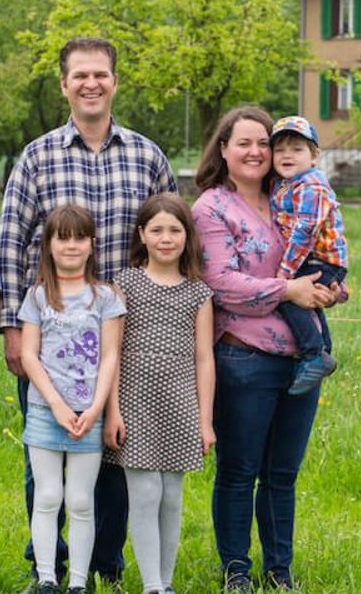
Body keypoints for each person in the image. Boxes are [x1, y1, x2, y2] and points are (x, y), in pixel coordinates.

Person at [0, 36, 179, 590]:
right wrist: (11, 327)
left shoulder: (148, 156)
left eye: (100, 74)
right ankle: (46, 567)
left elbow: (172, 233)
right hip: (49, 338)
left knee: (115, 451)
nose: (91, 84)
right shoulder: (38, 155)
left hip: (126, 336)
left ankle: (103, 562)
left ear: (115, 81)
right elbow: (11, 241)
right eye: (80, 75)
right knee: (47, 454)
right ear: (64, 85)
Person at [191, 105, 342, 592]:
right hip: (243, 360)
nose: (257, 152)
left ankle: (279, 570)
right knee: (239, 471)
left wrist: (328, 290)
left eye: (265, 143)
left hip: (301, 360)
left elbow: (320, 254)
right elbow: (220, 282)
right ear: (224, 149)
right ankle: (236, 568)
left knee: (282, 474)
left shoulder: (292, 194)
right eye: (246, 143)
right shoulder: (211, 207)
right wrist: (289, 291)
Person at [103, 193, 215, 594]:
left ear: (187, 236)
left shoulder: (198, 293)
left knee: (171, 495)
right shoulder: (125, 283)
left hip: (180, 402)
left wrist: (205, 421)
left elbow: (204, 358)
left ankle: (165, 581)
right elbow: (110, 352)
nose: (166, 238)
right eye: (157, 230)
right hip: (135, 400)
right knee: (145, 491)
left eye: (175, 230)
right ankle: (152, 584)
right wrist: (111, 410)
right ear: (142, 235)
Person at [19, 204, 125, 594]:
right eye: (62, 237)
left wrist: (96, 408)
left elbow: (112, 355)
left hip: (90, 413)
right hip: (47, 413)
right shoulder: (37, 297)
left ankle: (79, 582)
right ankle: (47, 577)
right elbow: (29, 355)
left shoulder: (106, 297)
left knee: (81, 500)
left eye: (80, 237)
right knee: (48, 495)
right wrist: (57, 405)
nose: (71, 245)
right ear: (48, 244)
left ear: (92, 245)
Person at [268, 115, 349, 396]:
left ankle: (314, 354)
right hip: (319, 260)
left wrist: (285, 273)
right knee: (308, 303)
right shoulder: (288, 184)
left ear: (315, 156)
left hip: (318, 260)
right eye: (280, 150)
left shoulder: (311, 186)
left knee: (290, 297)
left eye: (297, 149)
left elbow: (306, 230)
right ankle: (324, 350)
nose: (287, 155)